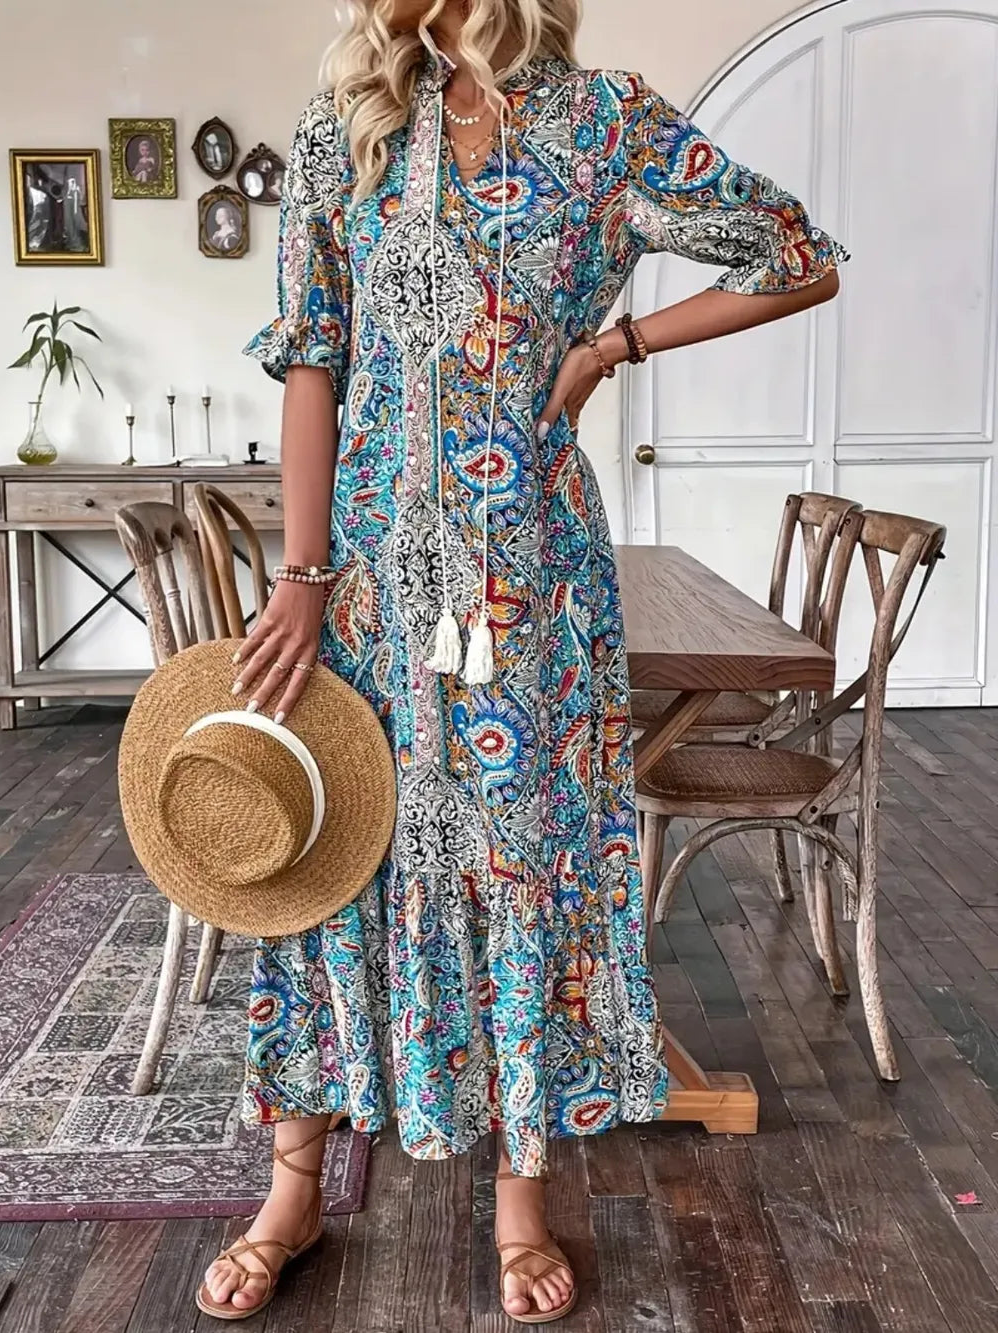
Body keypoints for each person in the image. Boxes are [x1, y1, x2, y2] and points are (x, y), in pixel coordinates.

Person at [199, 0, 843, 1322]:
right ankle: (293, 1186)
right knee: (335, 852)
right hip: (367, 587)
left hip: (531, 584)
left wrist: (616, 344)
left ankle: (520, 1197)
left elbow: (795, 257)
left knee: (523, 863)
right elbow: (312, 363)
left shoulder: (603, 123)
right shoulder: (344, 132)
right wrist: (302, 575)